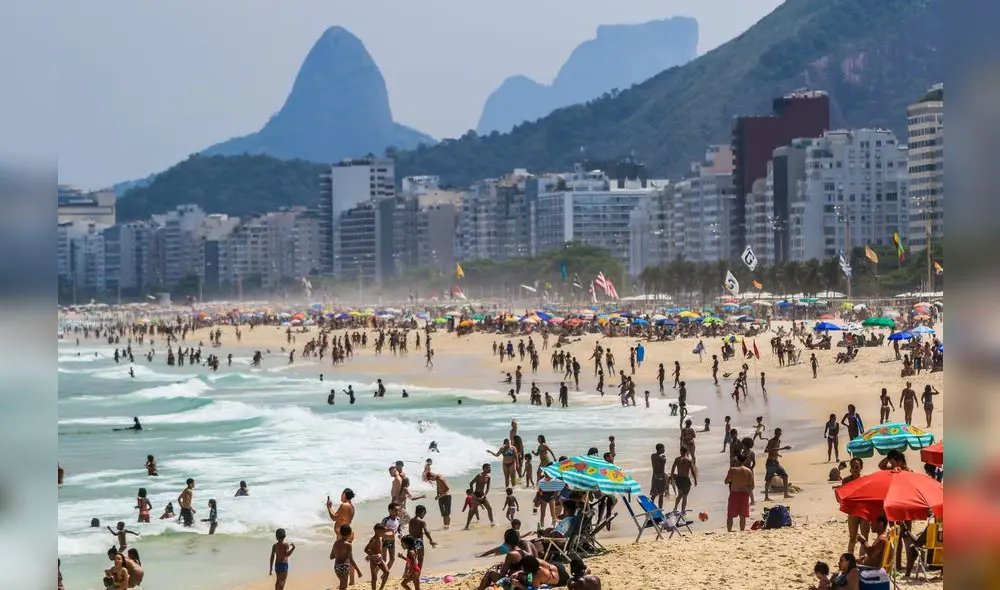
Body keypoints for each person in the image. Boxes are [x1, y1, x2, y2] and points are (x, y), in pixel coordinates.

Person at [724, 454, 754, 532]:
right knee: (742, 516)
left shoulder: (732, 470)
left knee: (730, 515)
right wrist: (748, 492)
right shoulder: (749, 471)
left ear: (737, 460)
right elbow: (752, 486)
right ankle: (742, 531)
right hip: (744, 494)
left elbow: (726, 481)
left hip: (735, 494)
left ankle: (729, 531)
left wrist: (732, 480)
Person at [763, 428, 792, 501]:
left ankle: (786, 494)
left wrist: (778, 454)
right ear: (775, 433)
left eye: (779, 434)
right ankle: (766, 497)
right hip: (770, 463)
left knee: (785, 476)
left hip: (776, 462)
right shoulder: (771, 441)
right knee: (768, 480)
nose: (778, 435)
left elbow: (775, 450)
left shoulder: (779, 441)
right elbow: (766, 450)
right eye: (777, 434)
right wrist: (783, 448)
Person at [330, 524, 362, 590]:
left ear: (340, 533)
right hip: (344, 566)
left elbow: (331, 557)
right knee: (343, 587)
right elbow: (351, 559)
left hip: (337, 567)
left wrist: (339, 554)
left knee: (343, 585)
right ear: (350, 534)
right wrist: (358, 570)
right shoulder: (348, 545)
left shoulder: (336, 543)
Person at [670, 446, 697, 514]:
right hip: (685, 480)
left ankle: (676, 508)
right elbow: (692, 471)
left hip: (679, 479)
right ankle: (682, 510)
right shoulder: (689, 460)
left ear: (680, 451)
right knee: (684, 496)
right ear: (686, 451)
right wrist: (695, 479)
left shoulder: (677, 459)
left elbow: (673, 469)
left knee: (680, 495)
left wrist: (671, 477)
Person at [364, 523, 391, 590]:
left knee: (387, 572)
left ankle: (381, 588)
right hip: (373, 560)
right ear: (377, 531)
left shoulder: (380, 538)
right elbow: (366, 549)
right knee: (374, 578)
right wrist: (371, 555)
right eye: (383, 532)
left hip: (380, 558)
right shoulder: (373, 539)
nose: (384, 533)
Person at [649, 443, 668, 509]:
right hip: (660, 477)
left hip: (654, 476)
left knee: (653, 495)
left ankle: (650, 509)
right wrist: (665, 481)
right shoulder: (662, 459)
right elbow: (662, 470)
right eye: (663, 448)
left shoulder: (653, 456)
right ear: (660, 449)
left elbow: (657, 458)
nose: (664, 449)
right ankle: (660, 510)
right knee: (661, 495)